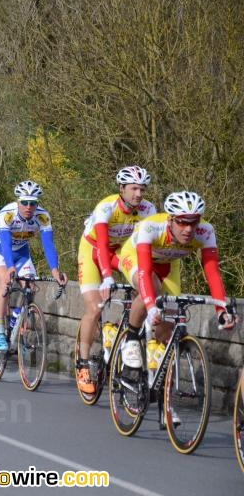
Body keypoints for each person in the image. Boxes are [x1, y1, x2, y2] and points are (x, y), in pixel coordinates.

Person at [118, 191, 238, 379]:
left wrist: (221, 310)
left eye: (194, 222)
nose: (188, 229)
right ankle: (132, 339)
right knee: (152, 287)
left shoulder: (205, 231)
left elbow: (212, 273)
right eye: (182, 222)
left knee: (169, 323)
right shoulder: (151, 227)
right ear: (170, 219)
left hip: (169, 264)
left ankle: (159, 381)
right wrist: (150, 306)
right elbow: (144, 272)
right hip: (136, 257)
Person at [75, 166, 156, 393]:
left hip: (120, 251)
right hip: (93, 250)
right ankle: (82, 364)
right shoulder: (106, 207)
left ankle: (121, 335)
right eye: (133, 189)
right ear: (121, 188)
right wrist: (108, 278)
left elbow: (148, 246)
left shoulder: (148, 209)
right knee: (95, 308)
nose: (138, 194)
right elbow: (101, 245)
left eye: (142, 189)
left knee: (146, 286)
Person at [0, 180, 68, 351]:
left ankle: (18, 326)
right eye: (24, 202)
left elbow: (48, 245)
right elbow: (6, 244)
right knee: (5, 282)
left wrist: (55, 270)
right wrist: (10, 267)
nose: (28, 207)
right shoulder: (7, 214)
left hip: (22, 254)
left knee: (31, 288)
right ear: (18, 202)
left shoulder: (42, 217)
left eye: (33, 203)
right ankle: (0, 331)